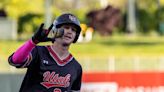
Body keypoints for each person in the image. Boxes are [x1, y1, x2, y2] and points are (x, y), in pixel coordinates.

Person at [8, 13, 83, 92]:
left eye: (73, 30)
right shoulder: (38, 52)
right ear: (55, 30)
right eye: (66, 27)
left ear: (76, 36)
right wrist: (33, 42)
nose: (70, 31)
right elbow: (15, 60)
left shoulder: (76, 67)